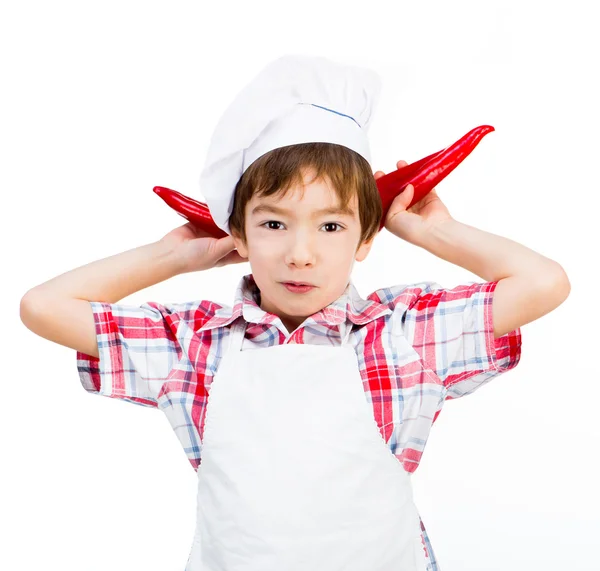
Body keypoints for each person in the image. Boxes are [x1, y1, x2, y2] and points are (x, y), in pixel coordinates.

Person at [20, 54, 571, 570]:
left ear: (366, 237)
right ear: (237, 233)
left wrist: (438, 232)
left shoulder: (403, 333)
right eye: (273, 223)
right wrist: (176, 255)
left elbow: (544, 283)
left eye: (331, 226)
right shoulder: (194, 343)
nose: (299, 253)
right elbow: (43, 306)